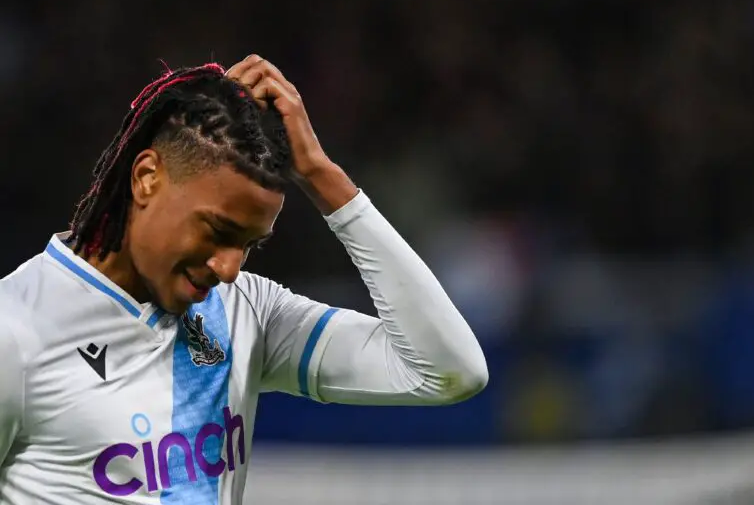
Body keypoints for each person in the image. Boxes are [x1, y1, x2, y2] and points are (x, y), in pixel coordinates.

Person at [0, 54, 488, 504]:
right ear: (147, 177)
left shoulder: (245, 311)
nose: (231, 268)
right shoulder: (16, 329)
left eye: (250, 245)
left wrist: (323, 178)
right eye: (217, 231)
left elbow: (447, 371)